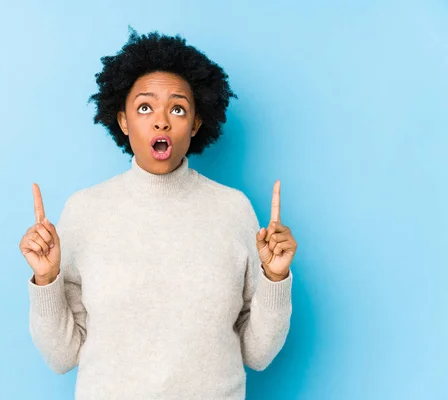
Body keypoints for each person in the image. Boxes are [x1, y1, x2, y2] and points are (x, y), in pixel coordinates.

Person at [19, 28, 298, 400]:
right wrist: (46, 279)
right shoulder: (84, 210)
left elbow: (257, 355)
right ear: (123, 121)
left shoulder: (233, 209)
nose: (161, 121)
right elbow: (61, 356)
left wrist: (275, 277)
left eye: (178, 108)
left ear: (196, 124)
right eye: (145, 107)